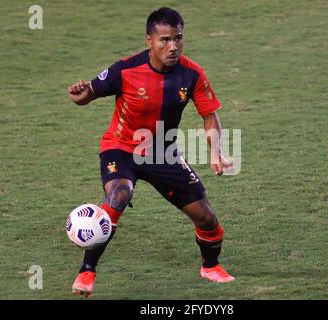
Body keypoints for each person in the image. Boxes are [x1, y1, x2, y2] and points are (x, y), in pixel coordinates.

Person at [67, 7, 234, 298]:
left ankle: (210, 266)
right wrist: (79, 91)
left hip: (162, 153)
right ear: (149, 41)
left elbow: (209, 115)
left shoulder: (192, 74)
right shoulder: (125, 70)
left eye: (178, 39)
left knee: (206, 218)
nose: (173, 47)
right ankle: (87, 271)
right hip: (121, 148)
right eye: (165, 40)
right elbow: (85, 96)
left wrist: (215, 151)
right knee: (119, 194)